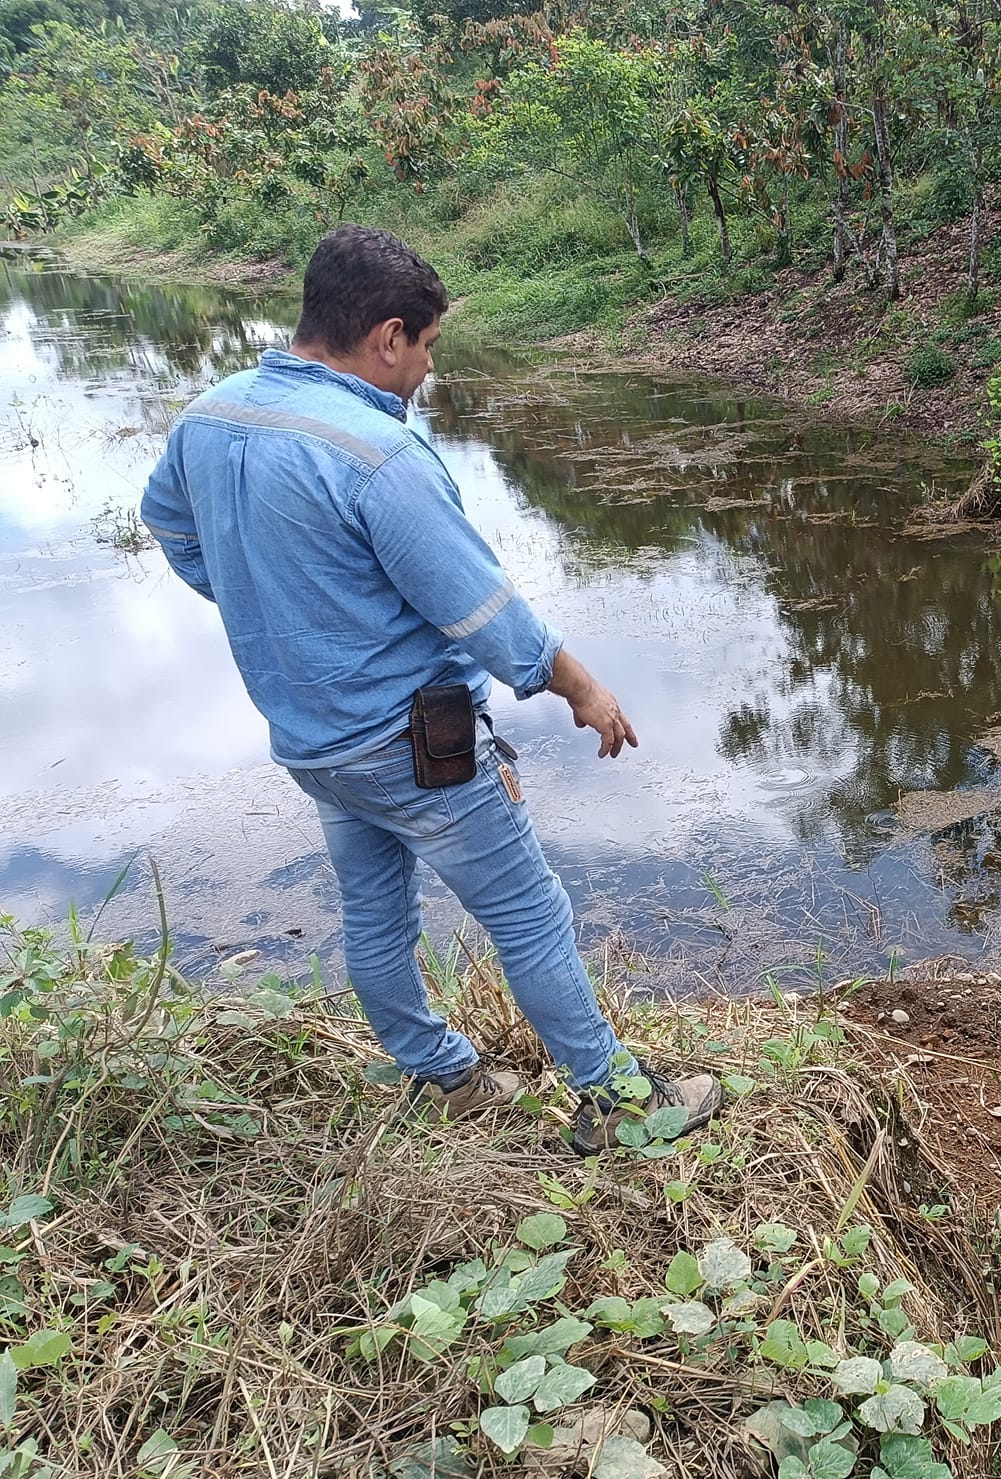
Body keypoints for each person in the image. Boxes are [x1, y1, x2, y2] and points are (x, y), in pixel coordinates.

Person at [139, 224, 720, 1155]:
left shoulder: (211, 416)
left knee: (375, 912)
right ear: (388, 337)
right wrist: (580, 687)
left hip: (314, 743)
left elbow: (168, 525)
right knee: (530, 914)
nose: (428, 369)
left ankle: (443, 1077)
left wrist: (267, 600)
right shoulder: (378, 455)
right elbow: (480, 608)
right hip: (418, 743)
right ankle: (621, 1101)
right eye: (429, 347)